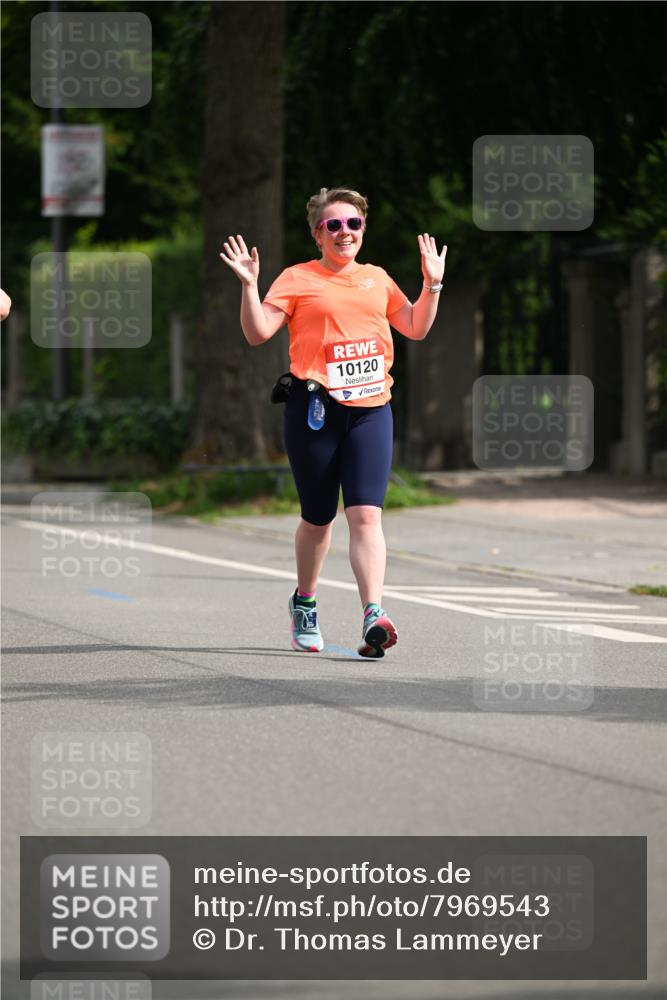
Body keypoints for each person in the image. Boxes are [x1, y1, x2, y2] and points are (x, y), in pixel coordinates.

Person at [220, 187, 446, 657]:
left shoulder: (377, 278)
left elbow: (416, 327)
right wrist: (248, 287)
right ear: (317, 234)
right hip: (314, 411)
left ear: (363, 230)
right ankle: (305, 602)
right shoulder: (297, 278)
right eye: (334, 225)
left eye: (354, 224)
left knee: (365, 515)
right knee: (319, 519)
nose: (345, 232)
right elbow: (258, 332)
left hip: (371, 410)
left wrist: (432, 284)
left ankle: (373, 614)